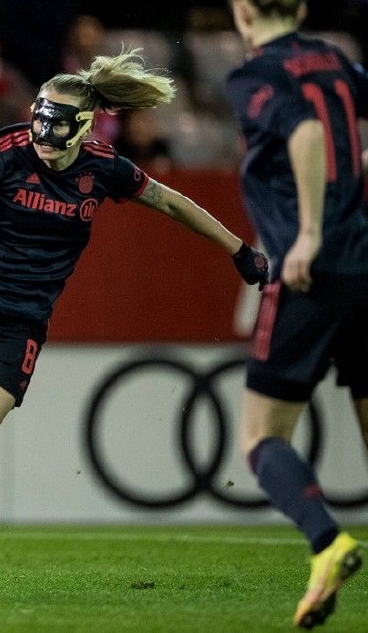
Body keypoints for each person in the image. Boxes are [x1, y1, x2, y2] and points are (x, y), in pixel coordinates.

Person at [0, 49, 270, 595]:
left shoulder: (103, 167)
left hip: (18, 326)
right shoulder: (4, 148)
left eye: (56, 127)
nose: (42, 135)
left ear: (83, 128)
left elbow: (172, 203)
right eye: (38, 120)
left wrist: (237, 250)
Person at [225, 0, 366, 628]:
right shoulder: (336, 60)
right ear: (303, 7)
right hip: (364, 262)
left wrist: (309, 232)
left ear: (244, 10)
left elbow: (305, 132)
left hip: (310, 272)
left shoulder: (256, 73)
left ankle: (327, 542)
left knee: (261, 437)